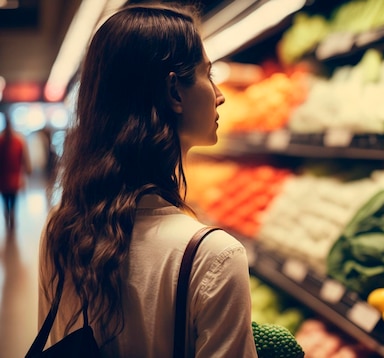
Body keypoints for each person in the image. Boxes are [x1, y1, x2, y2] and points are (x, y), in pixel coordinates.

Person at [37, 3, 258, 357]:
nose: (220, 94)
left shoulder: (62, 230)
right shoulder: (214, 257)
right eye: (208, 74)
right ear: (174, 92)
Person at [0, 109, 32, 232]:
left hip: (8, 178)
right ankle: (10, 216)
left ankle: (9, 216)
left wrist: (27, 169)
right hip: (8, 178)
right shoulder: (17, 141)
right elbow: (25, 159)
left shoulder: (15, 141)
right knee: (10, 199)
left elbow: (24, 158)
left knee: (9, 199)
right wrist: (28, 169)